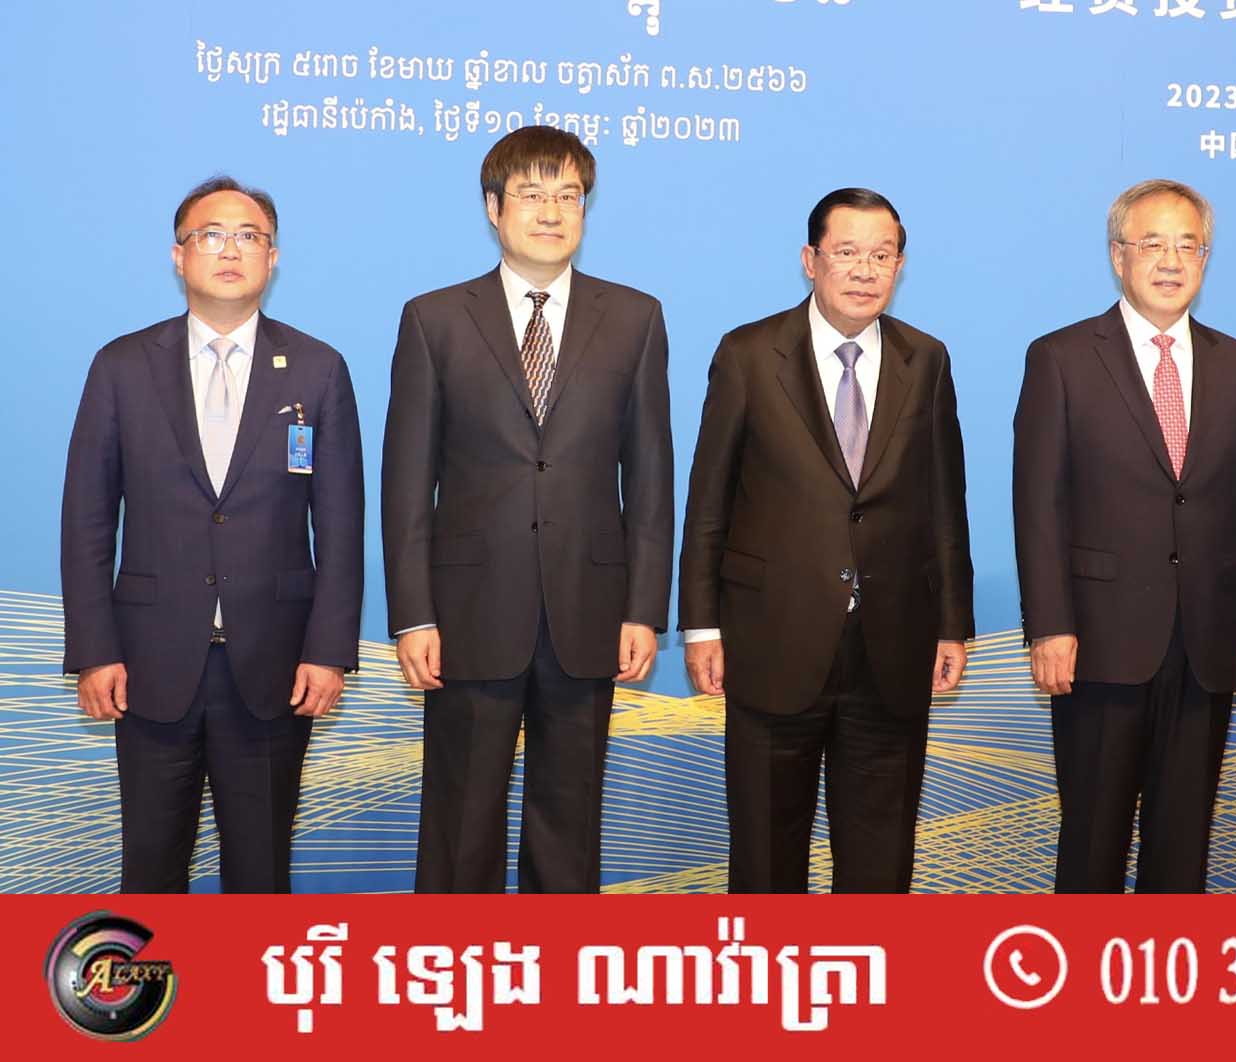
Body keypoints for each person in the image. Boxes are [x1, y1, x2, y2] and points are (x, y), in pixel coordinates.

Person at [382, 126, 673, 893]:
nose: (551, 212)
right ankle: (457, 961)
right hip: (468, 613)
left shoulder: (634, 317)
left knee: (569, 822)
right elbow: (406, 482)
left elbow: (650, 478)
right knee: (461, 822)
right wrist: (414, 616)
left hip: (589, 609)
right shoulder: (435, 319)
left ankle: (558, 963)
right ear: (493, 208)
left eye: (568, 196)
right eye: (532, 194)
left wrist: (644, 609)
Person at [62, 176, 364, 892]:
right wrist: (95, 650)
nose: (231, 250)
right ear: (179, 255)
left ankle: (249, 976)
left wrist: (328, 652)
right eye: (212, 235)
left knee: (260, 875)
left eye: (249, 237)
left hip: (274, 665)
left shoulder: (318, 369)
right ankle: (150, 974)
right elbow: (87, 520)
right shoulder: (122, 366)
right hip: (148, 664)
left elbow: (341, 524)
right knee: (151, 870)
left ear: (272, 258)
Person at [680, 188, 973, 893]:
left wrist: (952, 625)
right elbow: (709, 502)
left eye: (882, 255)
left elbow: (945, 502)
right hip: (770, 640)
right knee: (765, 859)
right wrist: (701, 626)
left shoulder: (926, 359)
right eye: (847, 253)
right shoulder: (749, 354)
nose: (865, 271)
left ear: (900, 266)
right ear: (810, 260)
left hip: (892, 646)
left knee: (879, 863)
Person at [1013, 179, 1236, 893]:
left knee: (1182, 848)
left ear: (1206, 259)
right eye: (1153, 244)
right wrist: (1049, 625)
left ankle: (1167, 970)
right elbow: (1038, 505)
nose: (1171, 261)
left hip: (1207, 645)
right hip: (1098, 644)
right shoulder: (1063, 358)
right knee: (1093, 844)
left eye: (1188, 246)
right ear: (1118, 256)